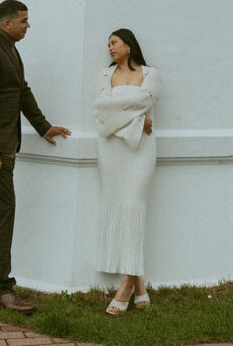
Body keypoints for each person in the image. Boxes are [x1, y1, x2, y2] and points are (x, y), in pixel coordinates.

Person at [0, 0, 70, 313]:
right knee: (1, 210)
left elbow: (21, 91)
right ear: (6, 23)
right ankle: (1, 289)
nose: (28, 25)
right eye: (23, 20)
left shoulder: (9, 48)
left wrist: (44, 127)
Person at [93, 28, 161, 315]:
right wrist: (137, 123)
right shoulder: (103, 76)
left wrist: (123, 113)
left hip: (142, 151)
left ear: (129, 45)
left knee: (134, 207)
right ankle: (139, 283)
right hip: (111, 151)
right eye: (108, 44)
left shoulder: (151, 74)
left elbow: (146, 101)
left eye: (114, 43)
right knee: (118, 208)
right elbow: (101, 115)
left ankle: (125, 286)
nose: (110, 48)